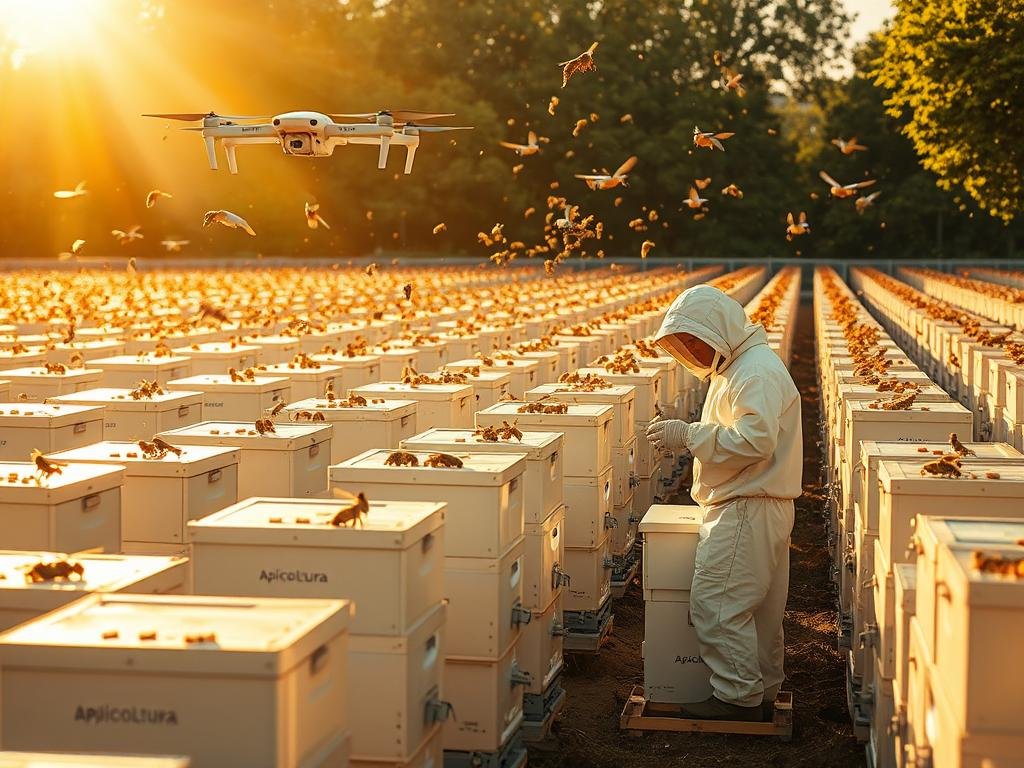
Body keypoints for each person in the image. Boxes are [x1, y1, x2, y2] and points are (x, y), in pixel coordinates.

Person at [645, 283, 802, 722]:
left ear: (719, 329)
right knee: (759, 611)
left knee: (717, 603)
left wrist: (688, 435)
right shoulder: (742, 366)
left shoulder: (754, 372)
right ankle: (761, 691)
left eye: (695, 341)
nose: (692, 351)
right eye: (685, 344)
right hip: (757, 503)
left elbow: (755, 441)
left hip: (746, 505)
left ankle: (736, 698)